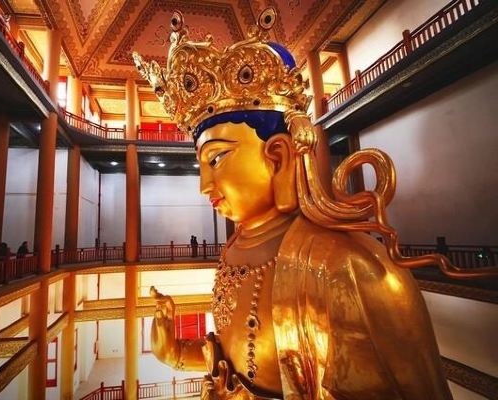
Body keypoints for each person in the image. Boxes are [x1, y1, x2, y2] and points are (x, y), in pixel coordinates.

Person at [134, 8, 496, 400]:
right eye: (201, 166)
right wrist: (175, 352)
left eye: (217, 159)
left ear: (278, 156)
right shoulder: (235, 248)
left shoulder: (349, 269)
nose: (205, 185)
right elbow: (238, 364)